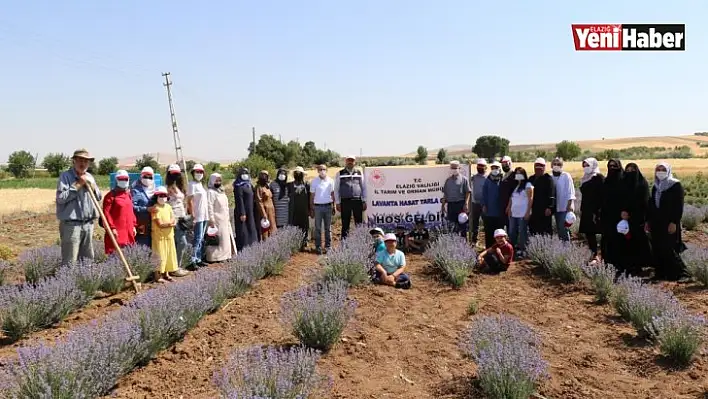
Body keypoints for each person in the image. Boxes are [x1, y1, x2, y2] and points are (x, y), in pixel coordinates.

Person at [56, 148, 103, 265]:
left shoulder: (90, 177)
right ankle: (68, 282)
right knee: (70, 261)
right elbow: (61, 198)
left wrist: (91, 186)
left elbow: (98, 197)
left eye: (86, 161)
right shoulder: (65, 177)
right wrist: (78, 184)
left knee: (87, 260)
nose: (83, 164)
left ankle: (85, 282)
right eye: (80, 160)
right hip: (71, 225)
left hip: (88, 224)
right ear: (74, 161)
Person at [647, 162, 687, 281]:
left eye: (663, 169)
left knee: (670, 247)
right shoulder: (655, 186)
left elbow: (678, 206)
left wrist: (674, 222)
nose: (660, 171)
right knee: (658, 248)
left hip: (670, 222)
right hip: (656, 223)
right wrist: (648, 221)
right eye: (658, 169)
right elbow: (652, 205)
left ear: (668, 170)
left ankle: (679, 274)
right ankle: (661, 273)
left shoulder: (675, 185)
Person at [613, 162, 652, 275]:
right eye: (628, 170)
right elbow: (620, 199)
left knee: (638, 242)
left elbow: (644, 202)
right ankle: (626, 265)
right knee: (625, 242)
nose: (630, 173)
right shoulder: (623, 183)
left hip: (638, 218)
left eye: (632, 170)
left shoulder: (642, 183)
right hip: (624, 219)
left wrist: (631, 213)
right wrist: (623, 211)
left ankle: (639, 266)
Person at [102, 169, 137, 255]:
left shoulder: (128, 195)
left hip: (128, 231)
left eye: (125, 179)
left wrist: (133, 225)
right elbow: (106, 213)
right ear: (116, 180)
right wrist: (112, 228)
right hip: (116, 232)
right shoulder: (110, 196)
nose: (123, 181)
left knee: (128, 255)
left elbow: (131, 211)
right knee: (115, 256)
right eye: (121, 179)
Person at [206, 173, 237, 263]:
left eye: (219, 180)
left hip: (224, 218)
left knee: (225, 238)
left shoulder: (221, 191)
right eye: (216, 180)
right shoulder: (210, 192)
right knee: (218, 239)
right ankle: (216, 258)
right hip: (216, 219)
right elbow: (209, 206)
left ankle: (226, 256)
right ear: (212, 181)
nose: (218, 182)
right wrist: (211, 220)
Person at [334, 156, 367, 239]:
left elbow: (363, 187)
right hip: (345, 201)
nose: (350, 162)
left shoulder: (359, 173)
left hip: (357, 200)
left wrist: (364, 200)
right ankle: (344, 244)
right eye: (348, 160)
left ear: (354, 162)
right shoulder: (340, 173)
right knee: (345, 224)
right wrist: (337, 202)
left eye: (352, 160)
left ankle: (360, 242)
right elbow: (336, 189)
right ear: (346, 161)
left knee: (359, 223)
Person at [165, 164, 189, 276]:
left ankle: (175, 266)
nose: (175, 175)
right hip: (173, 219)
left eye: (177, 173)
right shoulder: (167, 188)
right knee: (181, 242)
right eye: (173, 173)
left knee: (179, 243)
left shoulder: (180, 187)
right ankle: (175, 268)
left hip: (182, 218)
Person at [578, 158, 604, 262]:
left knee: (602, 232)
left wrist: (598, 210)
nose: (585, 168)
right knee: (589, 233)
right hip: (586, 209)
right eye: (584, 166)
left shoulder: (599, 178)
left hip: (597, 210)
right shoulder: (584, 178)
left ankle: (605, 255)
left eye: (587, 165)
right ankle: (594, 255)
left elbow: (603, 195)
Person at [600, 159, 624, 267]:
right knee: (607, 240)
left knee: (620, 240)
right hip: (607, 216)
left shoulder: (624, 181)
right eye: (610, 166)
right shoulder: (606, 181)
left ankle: (620, 264)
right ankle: (608, 263)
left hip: (620, 217)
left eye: (615, 166)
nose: (612, 168)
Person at [151, 186, 178, 283]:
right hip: (159, 237)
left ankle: (167, 274)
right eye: (160, 196)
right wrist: (170, 224)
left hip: (169, 235)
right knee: (159, 256)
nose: (162, 197)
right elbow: (160, 224)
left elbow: (173, 217)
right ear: (156, 197)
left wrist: (172, 222)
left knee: (168, 255)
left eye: (164, 195)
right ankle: (158, 276)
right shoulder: (155, 208)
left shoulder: (168, 207)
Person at [507, 167, 533, 258]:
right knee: (511, 231)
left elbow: (530, 199)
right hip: (513, 213)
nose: (518, 175)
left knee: (522, 232)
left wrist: (528, 212)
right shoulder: (515, 185)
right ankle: (512, 249)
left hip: (523, 213)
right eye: (516, 173)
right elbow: (511, 198)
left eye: (520, 173)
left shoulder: (528, 185)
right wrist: (509, 208)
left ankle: (523, 250)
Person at [441, 160, 471, 239]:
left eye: (455, 168)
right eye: (452, 168)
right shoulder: (448, 181)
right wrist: (443, 206)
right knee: (452, 226)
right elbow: (445, 194)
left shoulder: (464, 179)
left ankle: (464, 245)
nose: (454, 169)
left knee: (462, 226)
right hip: (451, 206)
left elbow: (468, 192)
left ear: (459, 168)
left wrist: (466, 204)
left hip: (460, 205)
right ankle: (455, 244)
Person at [187, 163, 209, 268]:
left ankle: (199, 258)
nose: (199, 173)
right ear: (193, 173)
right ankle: (193, 260)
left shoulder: (201, 184)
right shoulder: (191, 184)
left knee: (201, 238)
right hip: (198, 215)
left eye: (201, 172)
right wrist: (193, 215)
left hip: (204, 215)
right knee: (197, 238)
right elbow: (190, 201)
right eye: (197, 171)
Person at [310, 164, 335, 254]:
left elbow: (333, 194)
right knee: (318, 228)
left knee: (328, 228)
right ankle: (318, 247)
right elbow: (312, 196)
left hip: (328, 206)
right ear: (317, 171)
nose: (322, 171)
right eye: (320, 169)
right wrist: (311, 208)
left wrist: (334, 206)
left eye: (324, 169)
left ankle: (328, 247)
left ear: (326, 170)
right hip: (318, 207)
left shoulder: (331, 181)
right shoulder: (314, 181)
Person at [550, 158, 576, 241]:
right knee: (558, 228)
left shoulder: (566, 176)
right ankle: (562, 246)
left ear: (562, 166)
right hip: (555, 208)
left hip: (564, 207)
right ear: (551, 165)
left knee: (563, 229)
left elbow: (570, 192)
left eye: (559, 164)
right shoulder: (550, 177)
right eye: (554, 164)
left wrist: (570, 205)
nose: (556, 166)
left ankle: (566, 247)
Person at [528, 158, 555, 236]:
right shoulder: (531, 179)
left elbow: (552, 194)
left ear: (544, 167)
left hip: (545, 210)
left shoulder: (548, 179)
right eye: (537, 166)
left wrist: (550, 207)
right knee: (533, 229)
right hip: (534, 209)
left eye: (541, 166)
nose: (539, 168)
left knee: (545, 230)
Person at [481, 161, 505, 249]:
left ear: (500, 168)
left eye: (496, 168)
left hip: (500, 212)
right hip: (489, 211)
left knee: (499, 232)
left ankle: (499, 249)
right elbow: (484, 194)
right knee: (489, 232)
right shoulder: (487, 180)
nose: (494, 170)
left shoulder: (503, 180)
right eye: (493, 168)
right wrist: (483, 205)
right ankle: (489, 250)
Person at [233, 167, 258, 251]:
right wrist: (242, 213)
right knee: (243, 230)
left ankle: (252, 246)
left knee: (251, 228)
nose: (245, 175)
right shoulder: (238, 186)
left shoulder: (249, 184)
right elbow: (239, 200)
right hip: (242, 212)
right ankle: (244, 247)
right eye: (243, 173)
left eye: (246, 173)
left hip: (250, 210)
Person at [131, 166, 156, 247]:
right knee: (142, 246)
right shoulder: (136, 190)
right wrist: (146, 209)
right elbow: (132, 207)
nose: (147, 178)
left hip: (154, 223)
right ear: (141, 177)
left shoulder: (155, 190)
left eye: (150, 177)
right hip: (142, 224)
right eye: (145, 176)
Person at [288, 166, 311, 251]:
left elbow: (310, 197)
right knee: (294, 226)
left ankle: (304, 243)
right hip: (293, 210)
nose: (298, 174)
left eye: (299, 173)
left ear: (302, 174)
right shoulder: (290, 185)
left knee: (304, 226)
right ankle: (295, 244)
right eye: (296, 173)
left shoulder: (306, 184)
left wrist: (310, 209)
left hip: (304, 210)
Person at [469, 159, 488, 245]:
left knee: (486, 224)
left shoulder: (488, 178)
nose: (480, 167)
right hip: (475, 203)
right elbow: (466, 176)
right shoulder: (474, 177)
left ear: (485, 167)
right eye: (478, 166)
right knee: (474, 223)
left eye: (481, 166)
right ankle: (474, 241)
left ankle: (488, 241)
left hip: (485, 205)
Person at [255, 170, 277, 239]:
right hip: (265, 211)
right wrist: (263, 214)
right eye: (262, 175)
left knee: (272, 228)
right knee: (265, 230)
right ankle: (265, 246)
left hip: (271, 211)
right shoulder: (258, 187)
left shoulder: (267, 187)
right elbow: (259, 202)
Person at [498, 156, 516, 230]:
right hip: (503, 206)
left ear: (510, 163)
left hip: (510, 207)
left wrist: (509, 206)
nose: (504, 166)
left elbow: (514, 193)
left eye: (505, 163)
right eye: (502, 164)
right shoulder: (503, 176)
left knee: (511, 229)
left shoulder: (514, 176)